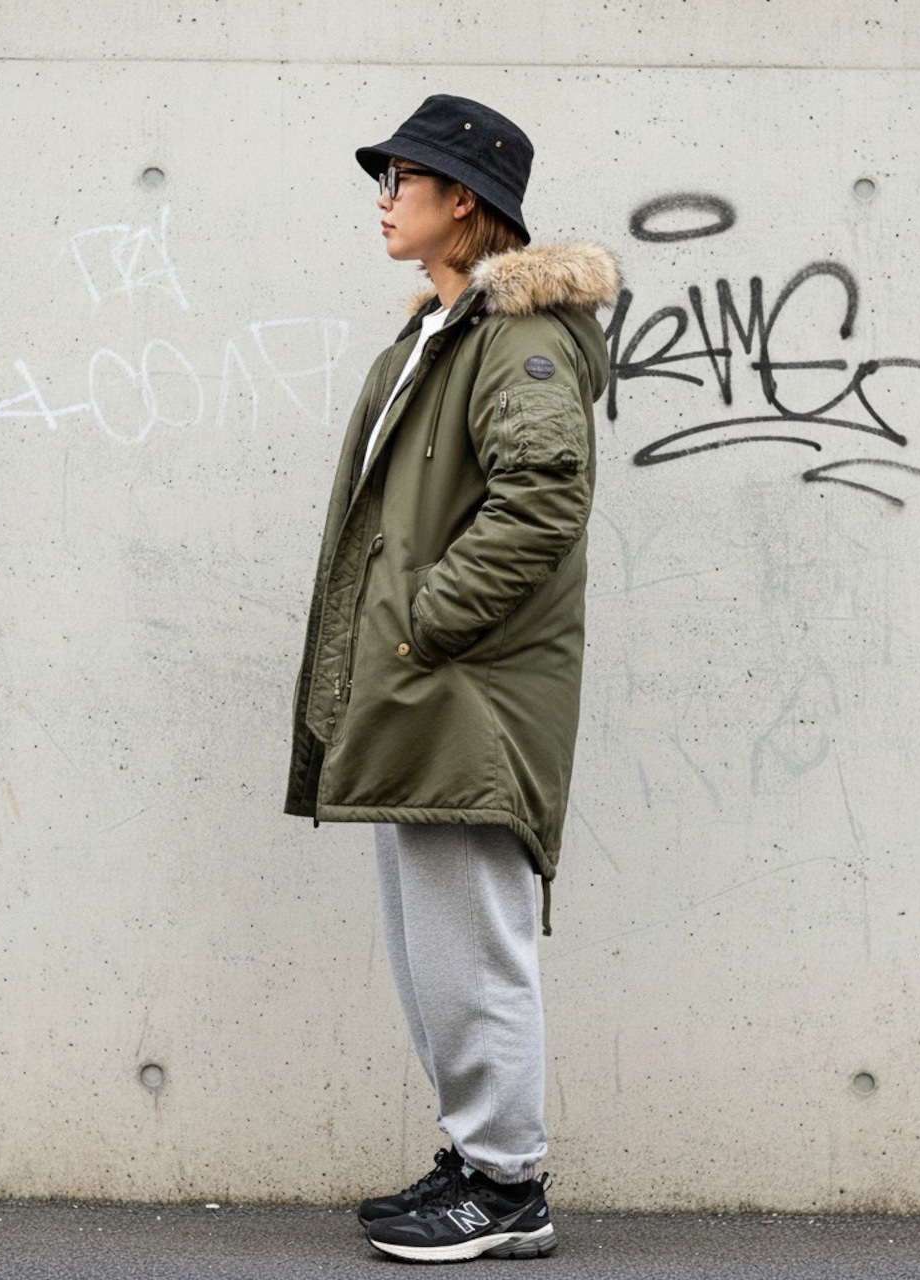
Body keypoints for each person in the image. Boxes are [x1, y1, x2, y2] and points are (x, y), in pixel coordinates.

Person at [284, 94, 617, 1263]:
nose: (381, 201)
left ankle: (506, 1184)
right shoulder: (439, 332)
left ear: (461, 199)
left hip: (466, 698)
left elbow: (542, 500)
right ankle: (474, 1157)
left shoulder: (516, 338)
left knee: (475, 952)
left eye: (400, 181)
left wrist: (426, 626)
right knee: (435, 950)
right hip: (422, 695)